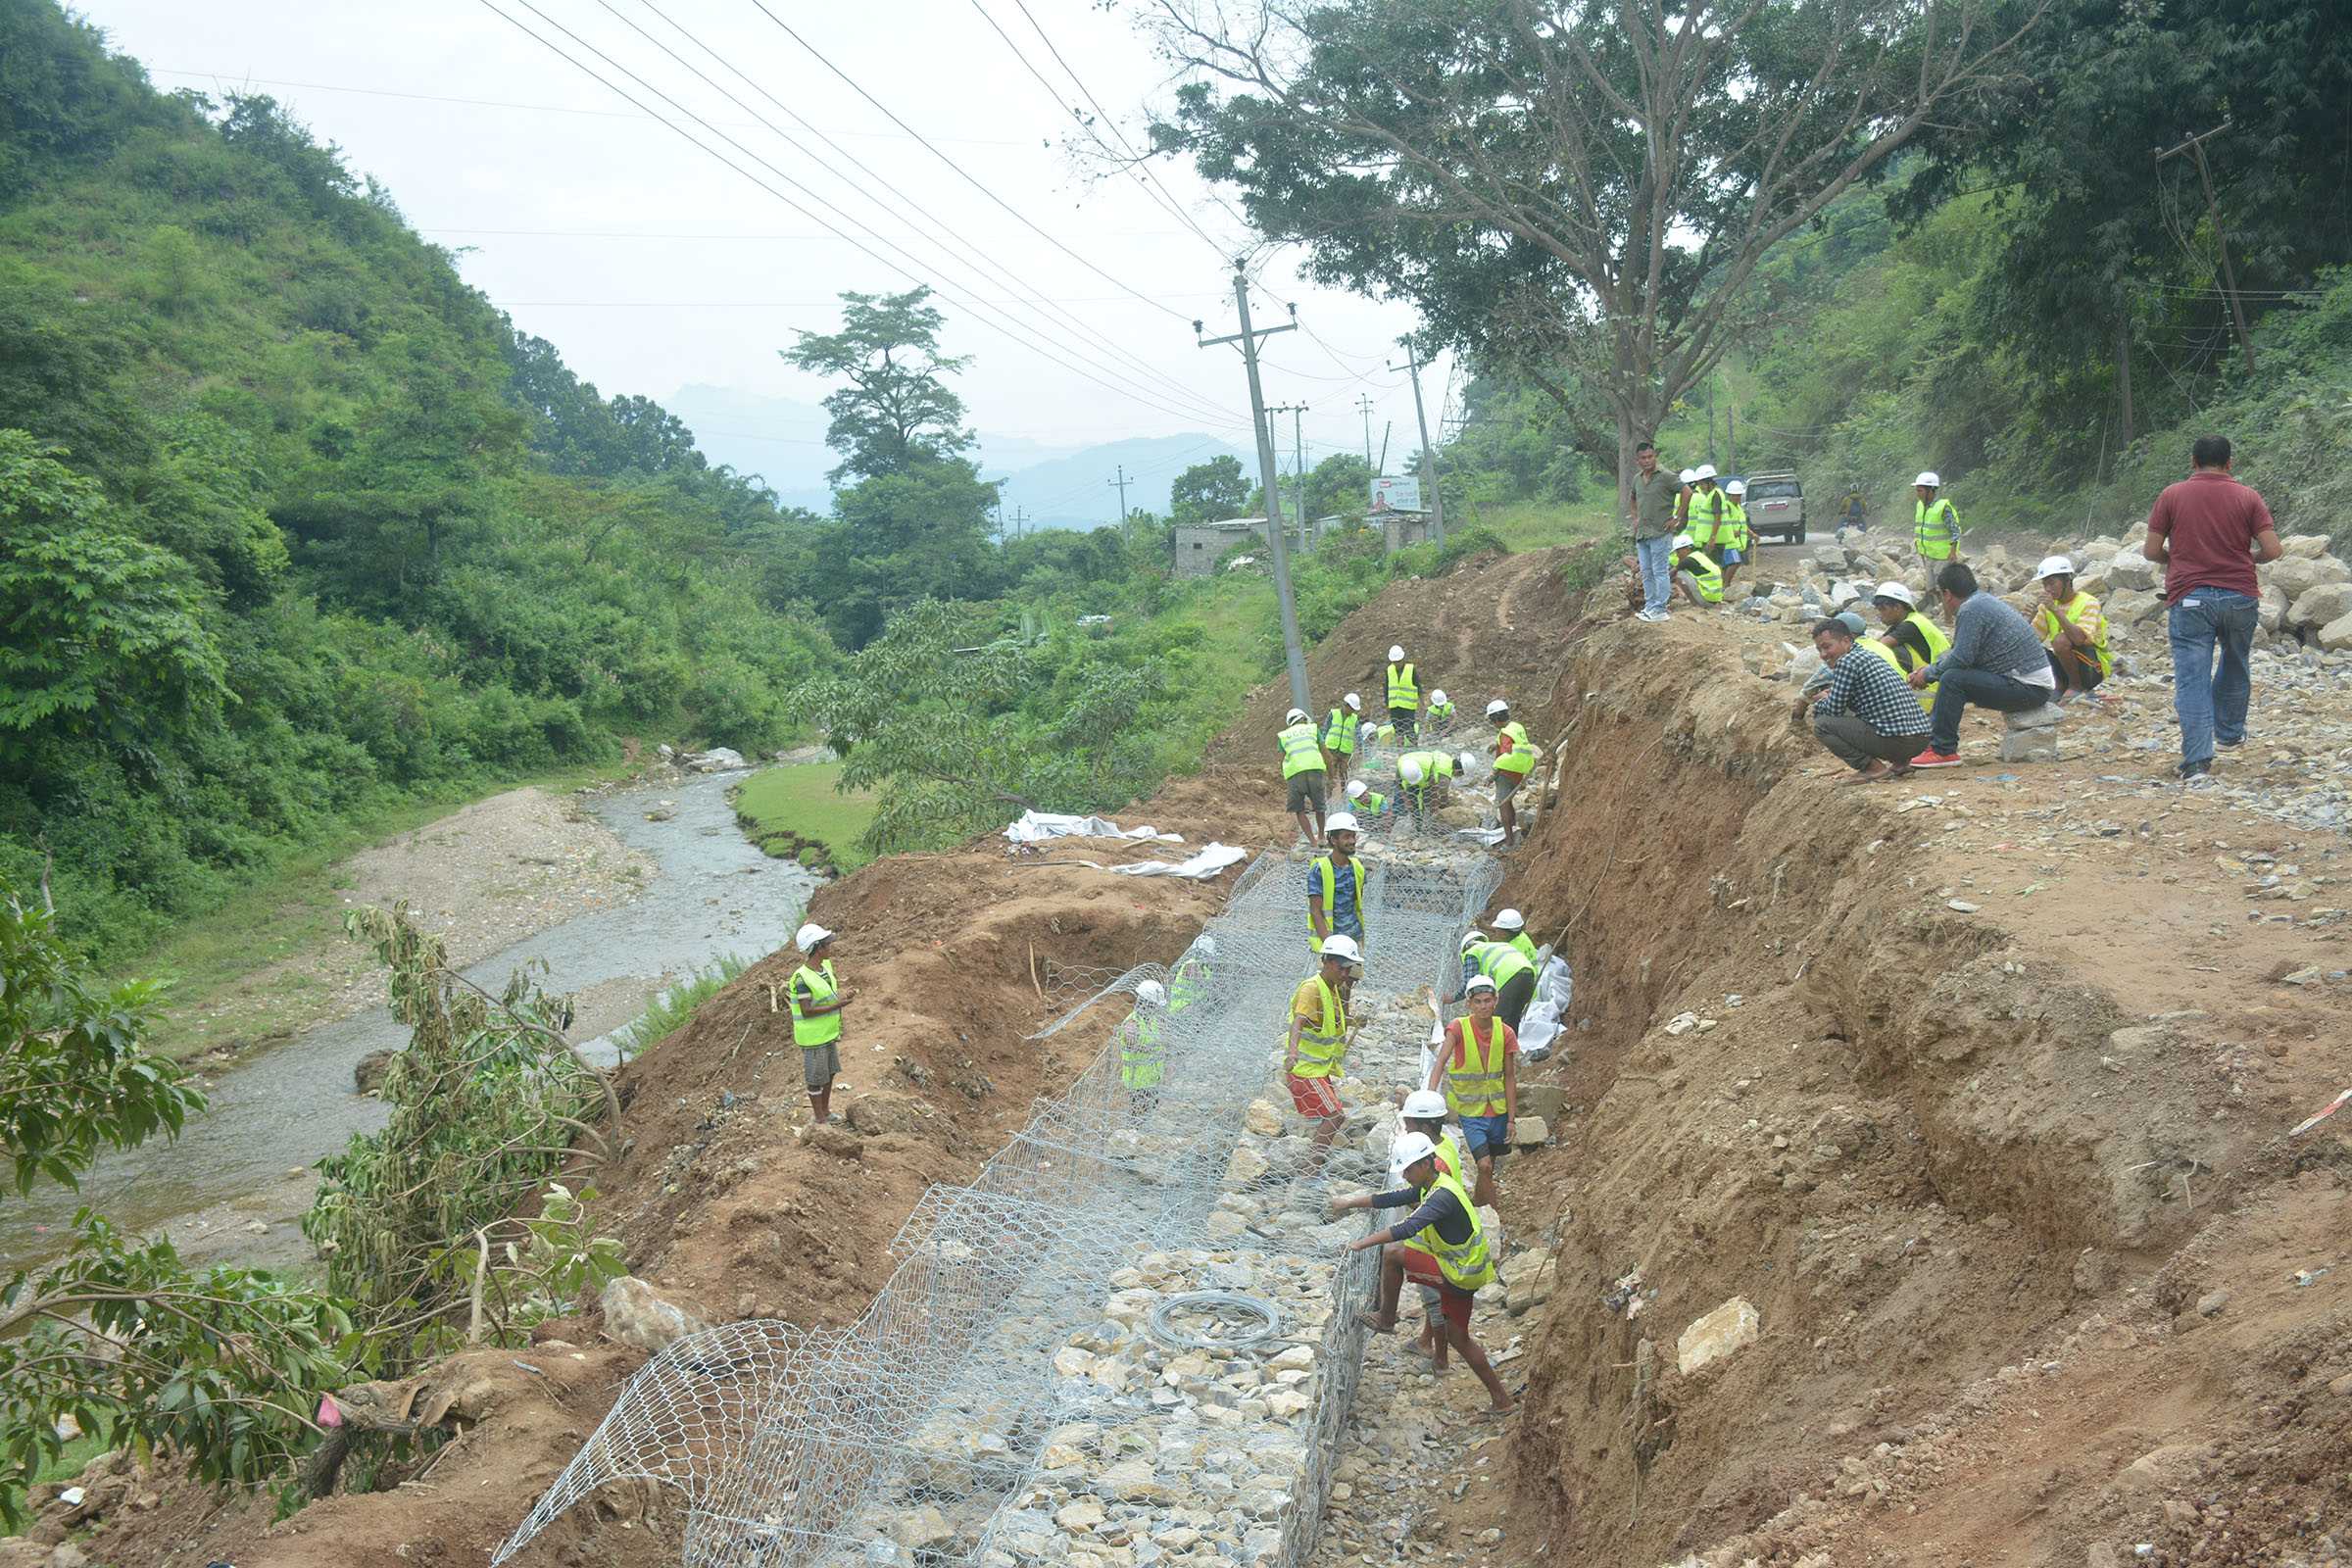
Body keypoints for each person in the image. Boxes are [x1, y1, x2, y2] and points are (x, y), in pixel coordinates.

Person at [1329, 1131, 1512, 1414]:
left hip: (1459, 1274)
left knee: (1393, 1254)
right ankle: (1502, 1400)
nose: (1405, 1175)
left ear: (1425, 1164)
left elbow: (1407, 1228)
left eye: (1408, 1169)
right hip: (1463, 1271)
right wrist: (1350, 1202)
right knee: (1458, 1338)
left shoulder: (1442, 1197)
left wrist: (1359, 1244)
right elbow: (1392, 1198)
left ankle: (1387, 1319)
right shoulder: (1434, 1183)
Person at [2144, 435, 2283, 786]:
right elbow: (2273, 549)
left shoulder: (2172, 495)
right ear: (2229, 463)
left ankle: (2196, 762)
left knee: (2192, 678)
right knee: (2236, 662)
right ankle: (2230, 731)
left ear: (2193, 462)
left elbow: (2150, 551)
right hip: (2240, 596)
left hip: (2189, 597)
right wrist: (2246, 558)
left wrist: (2174, 558)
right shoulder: (2248, 497)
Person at [1904, 564, 2059, 768]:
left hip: (2029, 688)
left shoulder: (1971, 609)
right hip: (2028, 682)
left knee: (1953, 679)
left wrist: (1929, 674)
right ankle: (1935, 745)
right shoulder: (1980, 602)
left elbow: (1961, 658)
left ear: (1947, 594)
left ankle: (1943, 750)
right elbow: (1960, 651)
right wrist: (1930, 670)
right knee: (1951, 673)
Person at [1390, 1088, 1472, 1368]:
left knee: (1435, 1301)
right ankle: (1428, 1344)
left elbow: (1419, 1206)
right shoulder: (1443, 1144)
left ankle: (1440, 1360)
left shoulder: (1437, 1165)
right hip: (1441, 1238)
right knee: (1436, 1301)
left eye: (1409, 1123)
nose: (1406, 1128)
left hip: (1441, 1244)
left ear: (1425, 1127)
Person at [1802, 616, 1932, 783]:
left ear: (1846, 641)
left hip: (1899, 742)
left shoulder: (1847, 661)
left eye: (1827, 647)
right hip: (1920, 741)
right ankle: (1901, 764)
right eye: (1819, 650)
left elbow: (1834, 710)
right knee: (1873, 715)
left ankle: (1872, 768)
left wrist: (1821, 700)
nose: (1823, 655)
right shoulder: (1867, 655)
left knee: (1822, 724)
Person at [1428, 972, 1519, 1206]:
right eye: (1478, 1001)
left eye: (1488, 1000)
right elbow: (1441, 1062)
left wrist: (1511, 1118)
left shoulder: (1506, 1033)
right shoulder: (1458, 1028)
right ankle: (1492, 1209)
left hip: (1497, 1112)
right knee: (1483, 1164)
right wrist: (1428, 1096)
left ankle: (1481, 1209)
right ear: (1469, 1004)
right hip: (1471, 1113)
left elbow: (1509, 1076)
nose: (1483, 1006)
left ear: (1496, 1001)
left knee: (1489, 1168)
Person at [1284, 934, 1359, 1164]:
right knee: (1335, 1116)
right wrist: (1293, 1053)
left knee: (1328, 1116)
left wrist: (1354, 1020)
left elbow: (1332, 1022)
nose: (1345, 974)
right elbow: (1299, 1020)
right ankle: (1310, 1172)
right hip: (1305, 1070)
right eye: (1342, 968)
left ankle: (1311, 1162)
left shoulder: (1331, 988)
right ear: (1327, 961)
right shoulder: (1311, 989)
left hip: (1319, 1069)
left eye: (1349, 969)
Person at [787, 922, 854, 1125]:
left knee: (830, 1072)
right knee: (815, 1079)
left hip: (828, 1033)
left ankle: (826, 1111)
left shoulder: (825, 968)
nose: (830, 948)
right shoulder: (802, 979)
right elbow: (806, 1011)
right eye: (827, 945)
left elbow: (825, 996)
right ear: (817, 948)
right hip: (813, 1037)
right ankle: (819, 1119)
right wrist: (838, 1005)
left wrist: (840, 999)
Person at [2031, 556, 2112, 702]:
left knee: (2061, 640)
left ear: (2067, 580)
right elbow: (2033, 639)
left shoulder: (2089, 602)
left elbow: (2079, 639)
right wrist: (2028, 619)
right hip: (2066, 663)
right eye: (2045, 584)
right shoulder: (2046, 606)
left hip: (2092, 667)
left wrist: (2055, 610)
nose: (2048, 589)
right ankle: (2059, 685)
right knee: (2031, 647)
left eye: (2052, 583)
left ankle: (2076, 687)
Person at [1869, 580, 1948, 707]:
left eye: (1883, 609)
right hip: (1936, 683)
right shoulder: (1908, 621)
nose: (1880, 615)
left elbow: (1877, 649)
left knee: (1888, 655)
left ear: (1897, 607)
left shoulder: (1911, 625)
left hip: (1931, 691)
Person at [1627, 440, 1678, 623]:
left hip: (1660, 532)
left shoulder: (1666, 476)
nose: (1647, 460)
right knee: (1647, 572)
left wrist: (1676, 518)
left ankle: (1660, 608)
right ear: (1637, 460)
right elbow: (1632, 498)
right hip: (1643, 534)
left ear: (1655, 456)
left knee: (1660, 571)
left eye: (1650, 456)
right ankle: (1650, 606)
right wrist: (1635, 518)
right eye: (1643, 458)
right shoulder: (1637, 479)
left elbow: (1686, 492)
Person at [1306, 812, 1367, 957]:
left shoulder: (1357, 867)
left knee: (1353, 978)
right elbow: (1316, 911)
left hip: (1354, 938)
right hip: (1331, 941)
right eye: (1347, 837)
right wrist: (1330, 946)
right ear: (1333, 840)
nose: (1352, 841)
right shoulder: (1319, 869)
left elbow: (1355, 903)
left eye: (1353, 836)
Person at [1453, 929, 1538, 1034]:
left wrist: (1453, 998)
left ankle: (1493, 1048)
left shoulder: (1471, 952)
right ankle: (1511, 1048)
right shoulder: (1497, 947)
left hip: (1511, 976)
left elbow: (1470, 983)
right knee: (1513, 1018)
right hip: (1529, 976)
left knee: (1497, 1019)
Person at [1486, 699, 1536, 849]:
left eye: (1492, 721)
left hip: (1506, 773)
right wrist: (1496, 745)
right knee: (1509, 802)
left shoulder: (1505, 734)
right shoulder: (1516, 727)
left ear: (1495, 719)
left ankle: (1509, 842)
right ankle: (1513, 831)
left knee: (1503, 805)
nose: (1492, 724)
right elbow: (1516, 744)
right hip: (1519, 772)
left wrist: (1493, 773)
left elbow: (1507, 754)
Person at [1277, 706, 1328, 844]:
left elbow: (1281, 759)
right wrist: (1331, 773)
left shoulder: (1283, 735)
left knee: (1299, 810)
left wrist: (1285, 777)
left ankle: (1312, 841)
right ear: (1304, 718)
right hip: (1315, 770)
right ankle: (1322, 837)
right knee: (1319, 807)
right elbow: (1325, 752)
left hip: (1295, 774)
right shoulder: (1313, 728)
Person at [1118, 979, 1167, 1104]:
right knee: (1138, 1114)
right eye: (1154, 1005)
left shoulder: (1153, 1020)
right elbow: (1132, 1046)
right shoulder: (1132, 1024)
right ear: (1146, 1003)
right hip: (1138, 1082)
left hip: (1153, 1078)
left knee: (1151, 1110)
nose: (1156, 1008)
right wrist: (1155, 1048)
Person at [1912, 470, 1962, 577]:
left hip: (1943, 557)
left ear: (1930, 491)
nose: (1917, 494)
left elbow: (1955, 531)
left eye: (1920, 491)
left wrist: (1953, 553)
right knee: (1930, 589)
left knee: (1942, 588)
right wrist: (1919, 546)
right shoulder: (1920, 506)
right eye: (1917, 490)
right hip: (1928, 555)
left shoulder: (1943, 508)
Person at [1319, 692, 1363, 792]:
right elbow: (1325, 729)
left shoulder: (1354, 719)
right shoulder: (1333, 714)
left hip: (1346, 753)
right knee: (1330, 774)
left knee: (1345, 776)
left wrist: (1361, 747)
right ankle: (1328, 796)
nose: (1353, 711)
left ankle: (1345, 795)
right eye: (1352, 709)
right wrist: (1322, 746)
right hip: (1331, 750)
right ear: (1346, 705)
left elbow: (1358, 734)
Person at [1670, 533, 1724, 608]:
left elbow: (1669, 575)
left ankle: (1695, 605)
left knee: (1679, 574)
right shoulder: (1698, 555)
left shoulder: (1688, 560)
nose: (1677, 555)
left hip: (1706, 600)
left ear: (1687, 549)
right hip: (1714, 599)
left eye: (1678, 551)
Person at [1686, 465, 1728, 556]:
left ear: (1709, 482)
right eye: (1699, 484)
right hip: (1710, 539)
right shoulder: (1711, 494)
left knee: (1713, 567)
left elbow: (1717, 519)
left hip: (1714, 541)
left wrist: (1712, 539)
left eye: (1702, 484)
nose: (1700, 487)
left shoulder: (1715, 495)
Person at [1718, 478, 1751, 593]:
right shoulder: (1727, 507)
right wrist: (1731, 533)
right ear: (1729, 495)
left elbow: (1742, 525)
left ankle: (1724, 586)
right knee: (1735, 563)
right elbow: (1720, 523)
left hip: (1736, 543)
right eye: (1734, 495)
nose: (1737, 498)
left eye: (1739, 495)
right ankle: (1726, 585)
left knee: (1727, 565)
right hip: (1728, 542)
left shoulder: (1739, 508)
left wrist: (1752, 534)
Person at [1385, 645, 1420, 739]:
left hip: (1408, 706)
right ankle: (1400, 750)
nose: (1397, 664)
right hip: (1394, 706)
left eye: (1399, 661)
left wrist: (1422, 700)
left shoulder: (1411, 669)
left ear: (1403, 659)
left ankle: (1414, 747)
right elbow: (1386, 688)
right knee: (1397, 730)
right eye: (1395, 662)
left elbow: (1418, 685)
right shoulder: (1389, 670)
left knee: (1409, 729)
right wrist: (1387, 703)